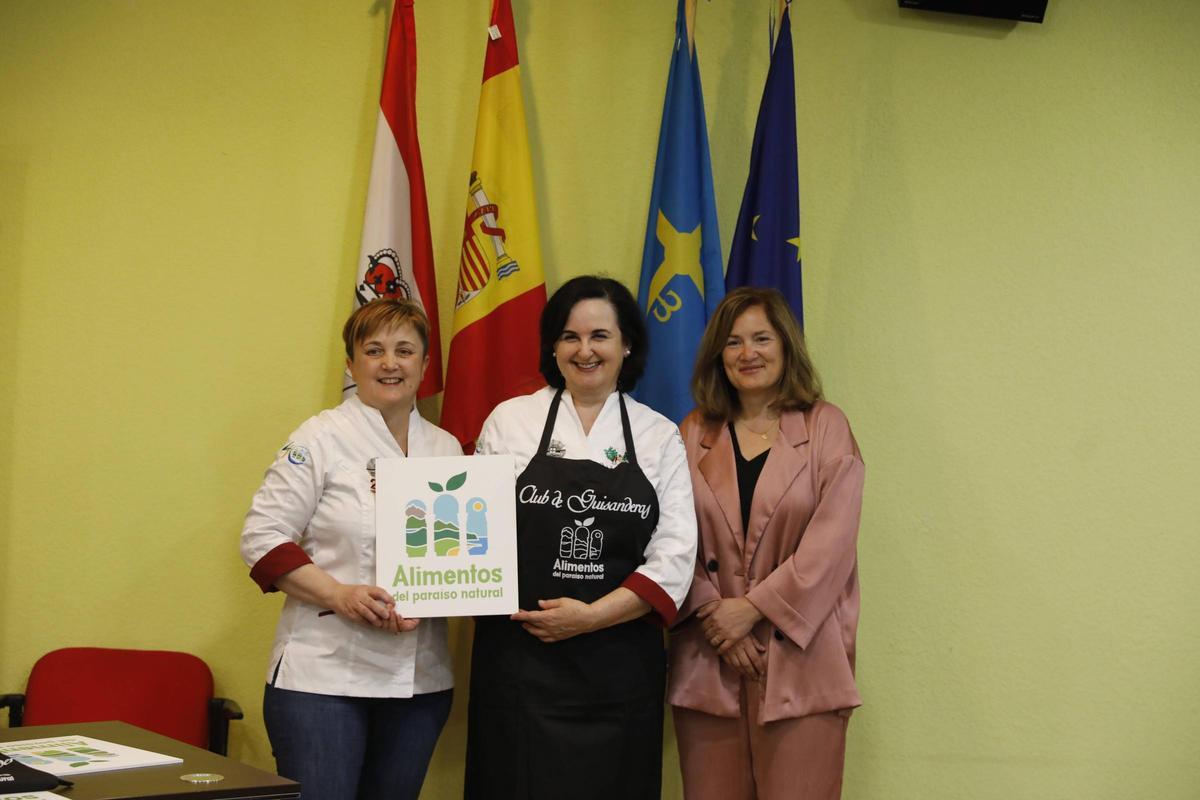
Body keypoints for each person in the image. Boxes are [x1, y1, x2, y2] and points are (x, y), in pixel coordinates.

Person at [464, 275, 697, 800]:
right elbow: (474, 533)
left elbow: (675, 556)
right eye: (570, 336)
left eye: (600, 336)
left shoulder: (659, 435)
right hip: (520, 663)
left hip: (618, 670)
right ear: (552, 345)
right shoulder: (511, 421)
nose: (584, 350)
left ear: (627, 344)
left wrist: (591, 617)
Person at [240, 299, 461, 800]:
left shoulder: (448, 449)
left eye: (405, 350)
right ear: (351, 364)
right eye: (374, 350)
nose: (390, 363)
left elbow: (462, 555)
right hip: (323, 676)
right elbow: (262, 537)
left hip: (419, 681)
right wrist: (341, 595)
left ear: (425, 365)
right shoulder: (319, 438)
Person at [668, 287, 865, 800]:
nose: (747, 353)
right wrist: (721, 621)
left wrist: (752, 609)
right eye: (733, 342)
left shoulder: (827, 428)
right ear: (718, 355)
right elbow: (670, 539)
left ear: (786, 347)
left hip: (803, 662)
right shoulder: (692, 432)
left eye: (761, 338)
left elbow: (831, 546)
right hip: (710, 661)